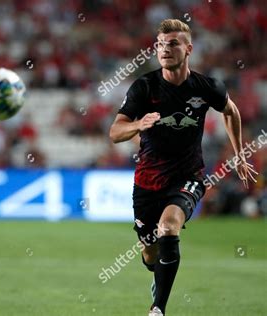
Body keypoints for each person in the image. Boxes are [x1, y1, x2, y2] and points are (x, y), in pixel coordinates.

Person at [109, 19, 257, 316]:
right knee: (151, 253)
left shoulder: (206, 87)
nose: (165, 49)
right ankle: (157, 275)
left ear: (188, 49)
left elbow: (231, 111)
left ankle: (157, 309)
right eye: (161, 44)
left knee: (169, 227)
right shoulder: (144, 87)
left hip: (188, 176)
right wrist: (139, 124)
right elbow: (115, 132)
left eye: (173, 43)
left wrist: (239, 154)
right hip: (148, 182)